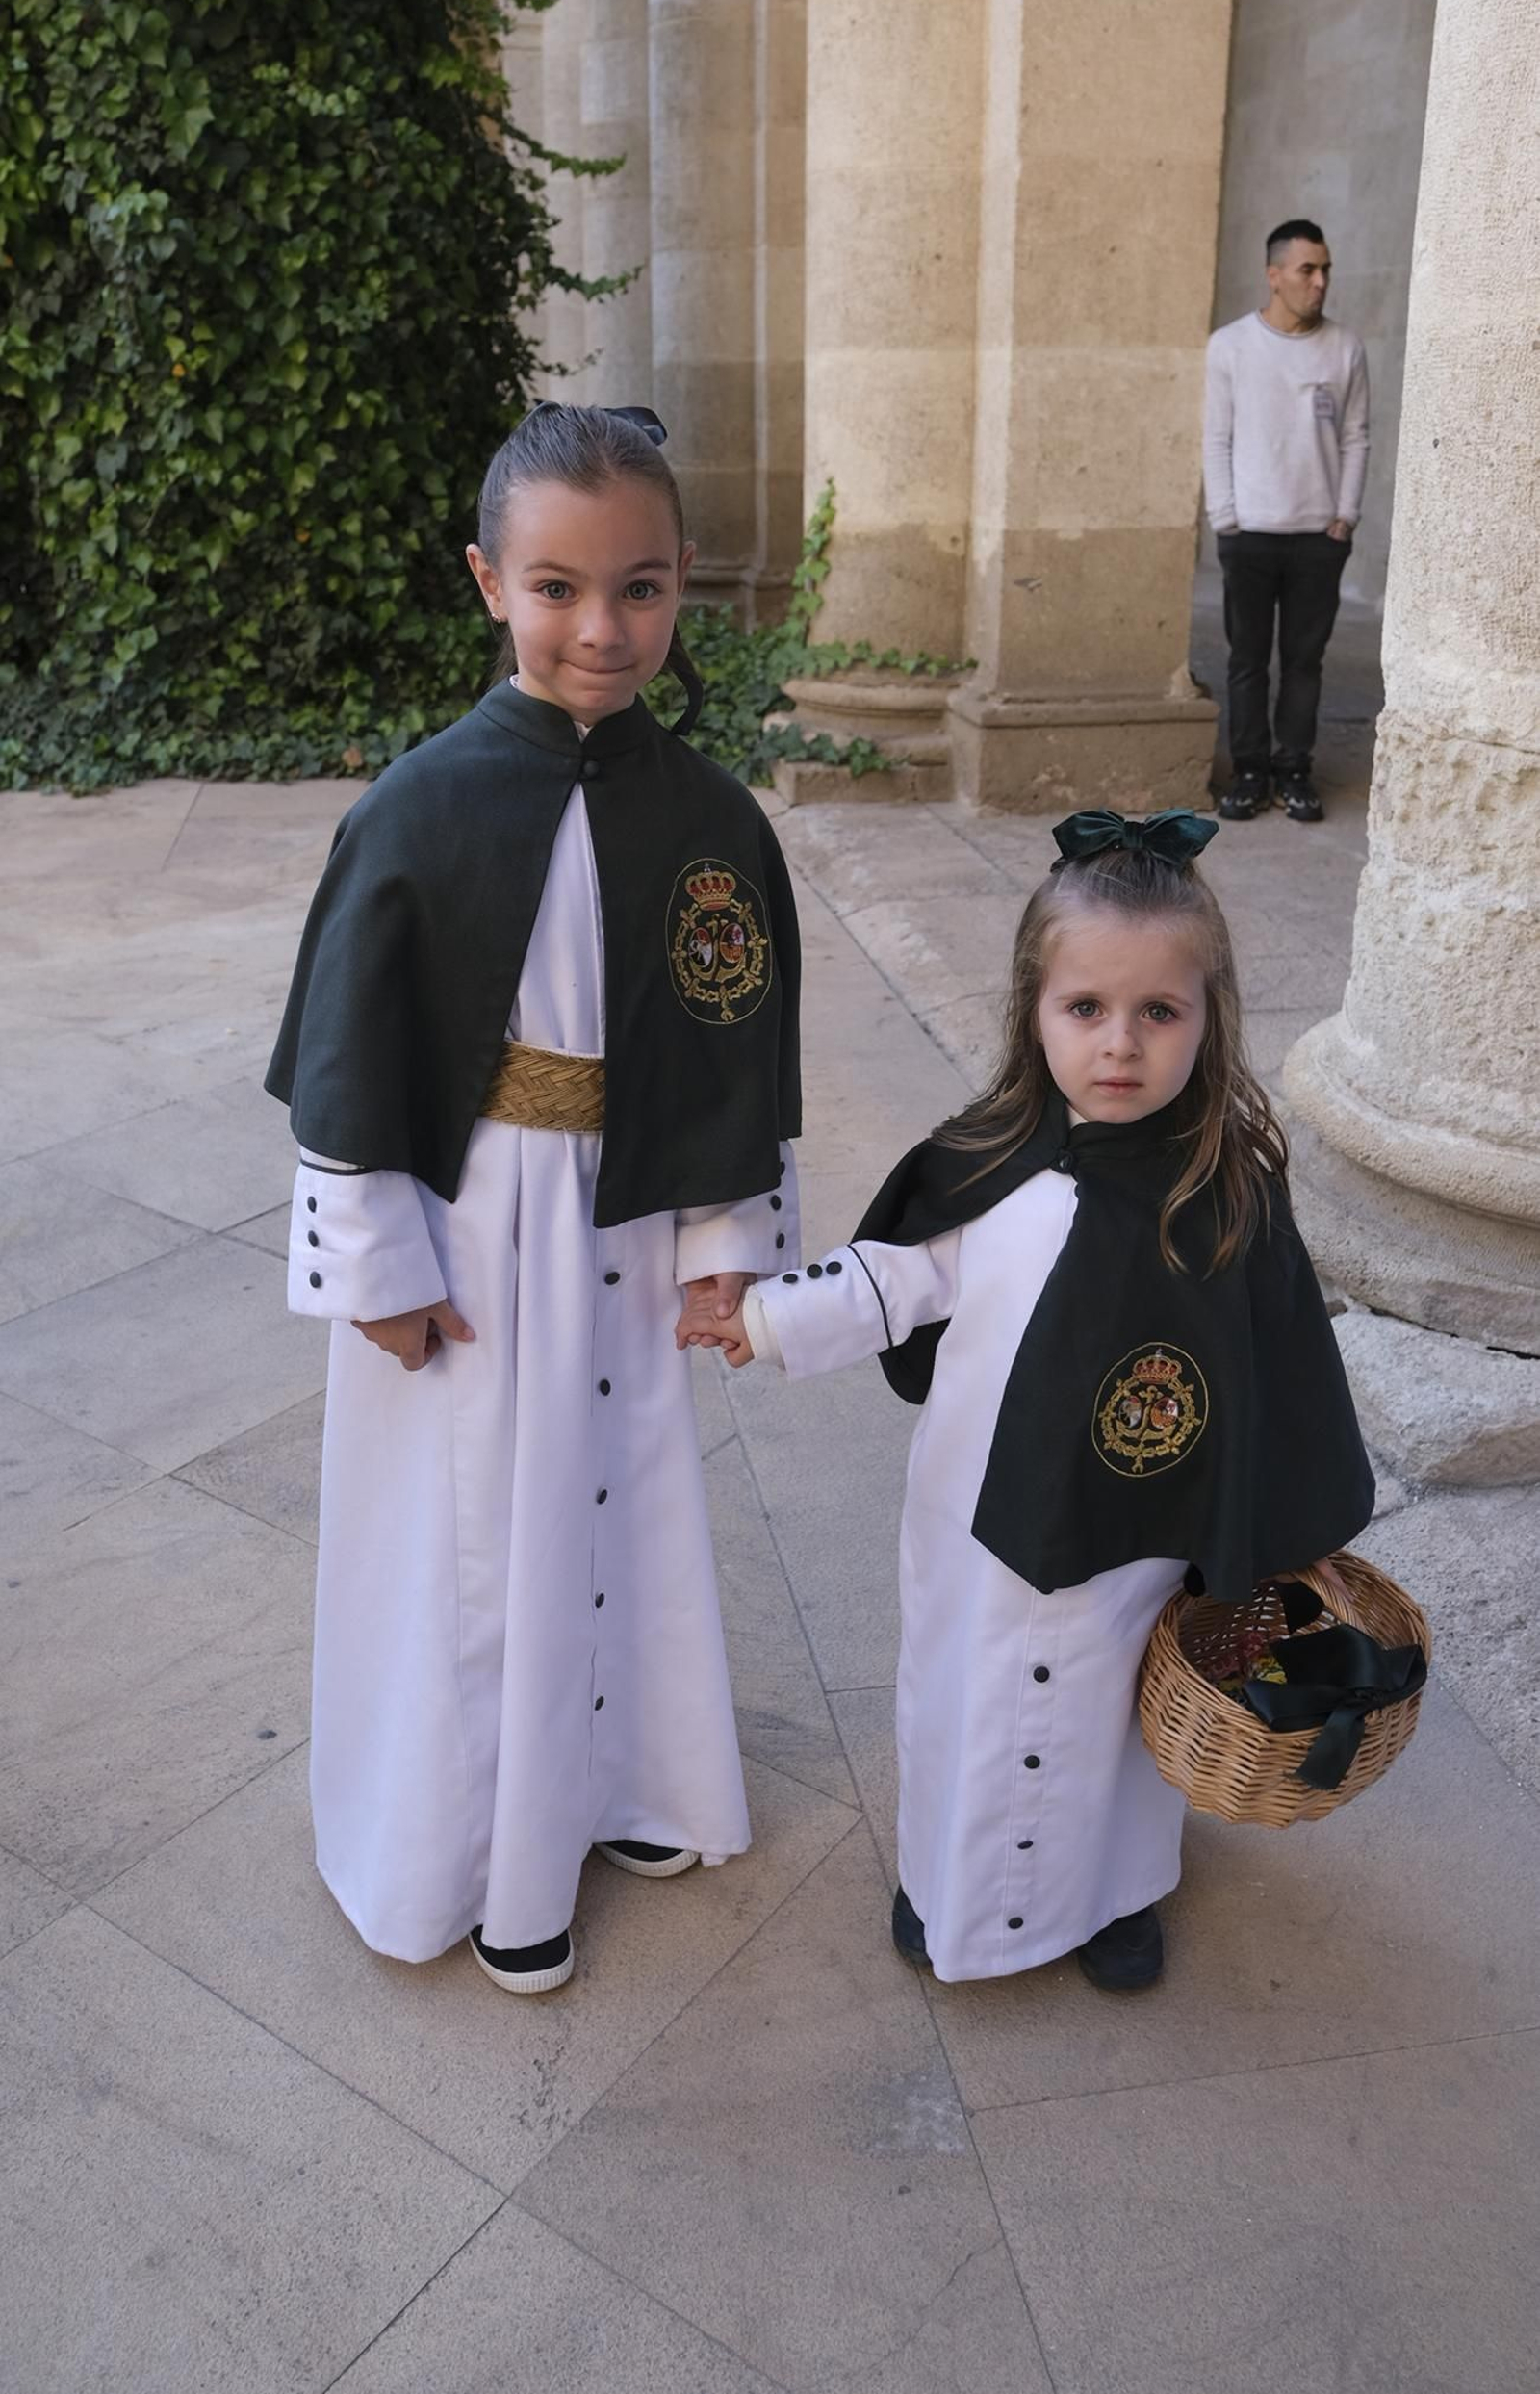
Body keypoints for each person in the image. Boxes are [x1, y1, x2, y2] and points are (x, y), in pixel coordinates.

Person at [266, 403, 802, 1995]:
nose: (600, 625)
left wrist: (727, 1253)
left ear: (685, 580)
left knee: (624, 1497)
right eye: (557, 586)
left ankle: (624, 1785)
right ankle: (484, 1857)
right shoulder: (420, 809)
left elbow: (735, 1049)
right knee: (475, 1531)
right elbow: (352, 1056)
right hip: (473, 1221)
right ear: (489, 581)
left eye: (639, 587)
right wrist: (373, 1259)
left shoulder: (713, 822)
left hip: (631, 1229)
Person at [684, 811, 1373, 1992]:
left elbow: (1279, 1367)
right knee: (964, 1691)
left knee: (1117, 1713)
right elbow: (896, 1275)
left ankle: (1114, 1894)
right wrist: (763, 1318)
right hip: (977, 1521)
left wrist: (1270, 1530)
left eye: (1159, 1011)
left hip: (1141, 1541)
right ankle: (944, 1879)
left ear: (1208, 1021)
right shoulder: (991, 1159)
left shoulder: (1229, 1190)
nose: (1121, 1044)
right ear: (1032, 1009)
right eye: (1086, 1008)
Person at [1203, 219, 1370, 824]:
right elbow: (1215, 437)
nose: (1320, 282)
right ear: (1274, 275)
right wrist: (1226, 517)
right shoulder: (1230, 346)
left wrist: (1345, 515)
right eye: (1307, 269)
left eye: (1326, 269)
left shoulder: (1345, 347)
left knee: (1304, 662)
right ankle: (1249, 774)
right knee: (1248, 660)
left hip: (1318, 537)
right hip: (1249, 532)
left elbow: (1356, 438)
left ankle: (1294, 771)